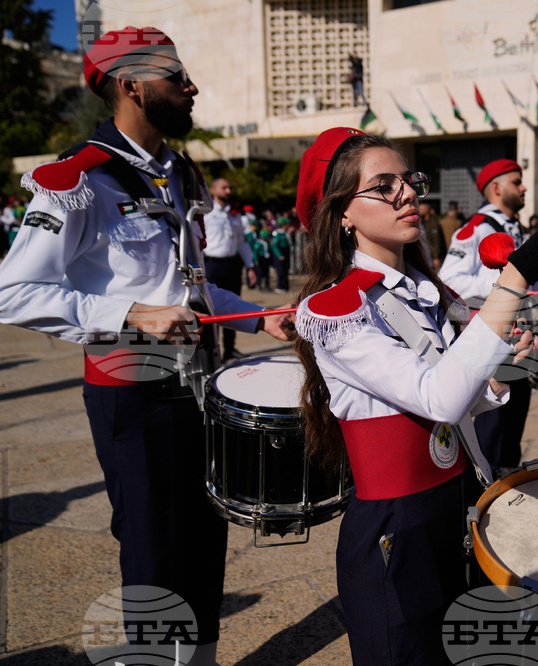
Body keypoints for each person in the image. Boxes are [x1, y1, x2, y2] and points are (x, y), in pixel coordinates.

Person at [0, 27, 293, 666]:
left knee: (204, 530)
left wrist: (255, 319)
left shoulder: (174, 170)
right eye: (175, 77)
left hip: (199, 383)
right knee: (154, 543)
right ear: (132, 85)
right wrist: (128, 312)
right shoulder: (77, 178)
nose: (191, 87)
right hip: (132, 388)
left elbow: (184, 289)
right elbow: (12, 290)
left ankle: (203, 658)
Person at [292, 127, 538, 665]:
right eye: (383, 186)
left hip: (454, 505)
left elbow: (455, 401)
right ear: (342, 212)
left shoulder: (427, 292)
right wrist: (518, 273)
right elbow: (437, 399)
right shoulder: (335, 308)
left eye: (408, 180)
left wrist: (497, 377)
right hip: (397, 528)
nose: (407, 193)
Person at [438, 159, 532, 475]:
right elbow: (449, 280)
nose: (524, 188)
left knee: (512, 431)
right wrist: (506, 284)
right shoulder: (477, 228)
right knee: (492, 433)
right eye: (517, 182)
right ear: (496, 188)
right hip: (490, 345)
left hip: (517, 342)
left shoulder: (513, 227)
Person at [203, 176, 258, 361]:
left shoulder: (234, 214)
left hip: (232, 264)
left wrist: (250, 266)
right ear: (214, 190)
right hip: (212, 264)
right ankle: (214, 349)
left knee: (233, 304)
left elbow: (242, 242)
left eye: (229, 187)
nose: (228, 191)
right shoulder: (205, 211)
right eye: (224, 188)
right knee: (212, 308)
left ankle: (230, 348)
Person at [270, 218, 291, 292]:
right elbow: (274, 245)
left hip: (285, 252)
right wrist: (279, 255)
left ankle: (285, 286)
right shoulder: (278, 234)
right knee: (281, 271)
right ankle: (280, 286)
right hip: (281, 253)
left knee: (285, 270)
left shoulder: (285, 233)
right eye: (286, 224)